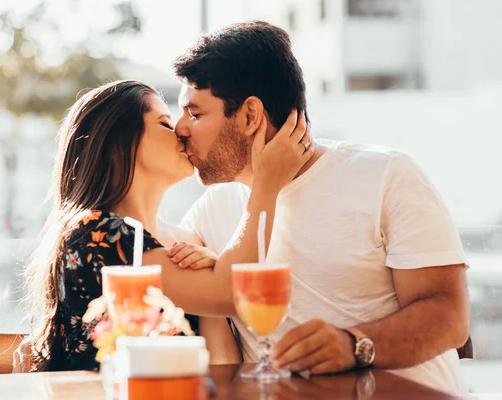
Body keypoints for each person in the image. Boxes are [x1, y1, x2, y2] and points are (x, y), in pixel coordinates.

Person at [173, 21, 469, 394]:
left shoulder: (385, 176)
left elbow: (448, 317)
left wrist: (354, 345)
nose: (180, 128)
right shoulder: (211, 210)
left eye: (195, 114)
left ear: (249, 116)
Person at [18, 79, 315, 371]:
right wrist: (267, 183)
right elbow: (234, 294)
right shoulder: (94, 236)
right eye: (164, 123)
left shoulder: (185, 240)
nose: (181, 131)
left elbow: (223, 366)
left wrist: (211, 282)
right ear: (119, 145)